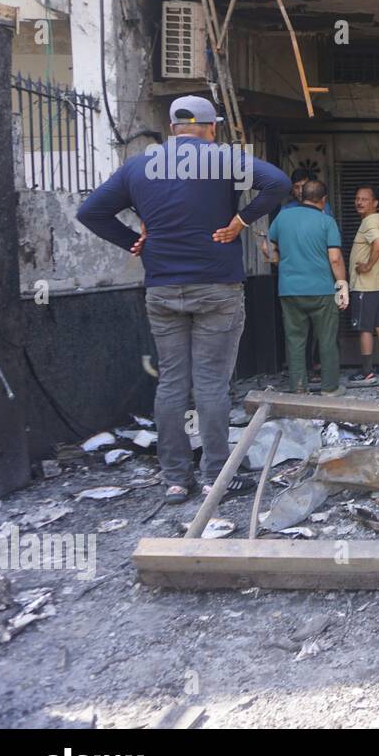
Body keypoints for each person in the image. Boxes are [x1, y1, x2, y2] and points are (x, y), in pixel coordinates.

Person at [77, 95, 290, 503]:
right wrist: (240, 221)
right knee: (211, 384)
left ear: (173, 127)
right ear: (211, 128)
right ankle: (215, 477)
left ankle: (175, 479)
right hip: (216, 289)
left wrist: (134, 243)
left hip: (162, 289)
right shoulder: (222, 157)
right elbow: (278, 184)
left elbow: (91, 212)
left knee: (172, 384)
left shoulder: (138, 165)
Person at [267, 178, 349, 395]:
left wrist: (277, 260)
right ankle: (330, 388)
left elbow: (267, 247)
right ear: (324, 200)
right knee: (327, 340)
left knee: (295, 340)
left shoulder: (282, 217)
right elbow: (335, 258)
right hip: (321, 290)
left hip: (289, 290)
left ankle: (299, 388)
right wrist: (342, 285)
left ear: (301, 196)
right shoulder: (326, 221)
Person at [347, 185, 379, 383]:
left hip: (366, 286)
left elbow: (378, 243)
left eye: (364, 199)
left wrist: (367, 265)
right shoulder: (377, 220)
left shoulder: (369, 222)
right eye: (357, 198)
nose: (359, 202)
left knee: (365, 329)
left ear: (375, 203)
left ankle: (367, 371)